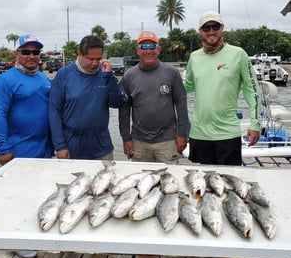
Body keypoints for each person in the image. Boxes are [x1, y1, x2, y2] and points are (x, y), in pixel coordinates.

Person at [0, 34, 53, 258]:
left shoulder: (45, 80)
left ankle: (32, 235)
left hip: (43, 149)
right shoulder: (5, 81)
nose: (31, 56)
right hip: (18, 149)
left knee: (38, 194)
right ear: (16, 54)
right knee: (17, 197)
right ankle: (16, 239)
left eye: (35, 52)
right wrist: (2, 148)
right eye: (26, 52)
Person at [183, 11, 261, 165]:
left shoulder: (238, 54)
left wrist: (255, 124)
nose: (211, 31)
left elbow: (252, 91)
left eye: (215, 27)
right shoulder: (194, 57)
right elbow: (188, 86)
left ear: (222, 28)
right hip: (199, 134)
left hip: (228, 134)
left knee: (227, 184)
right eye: (206, 28)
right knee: (200, 185)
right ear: (200, 31)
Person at [48, 35, 126, 160]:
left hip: (102, 148)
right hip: (71, 148)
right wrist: (60, 146)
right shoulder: (64, 75)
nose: (95, 63)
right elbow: (54, 111)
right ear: (79, 53)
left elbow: (118, 103)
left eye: (98, 59)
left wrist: (110, 77)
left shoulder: (105, 74)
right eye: (90, 59)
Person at [118, 30, 189, 163]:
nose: (148, 50)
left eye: (152, 46)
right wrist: (125, 138)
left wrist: (182, 134)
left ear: (159, 49)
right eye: (144, 46)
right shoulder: (129, 76)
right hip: (139, 142)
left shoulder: (172, 73)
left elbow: (181, 103)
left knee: (169, 180)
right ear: (138, 50)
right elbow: (124, 110)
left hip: (167, 141)